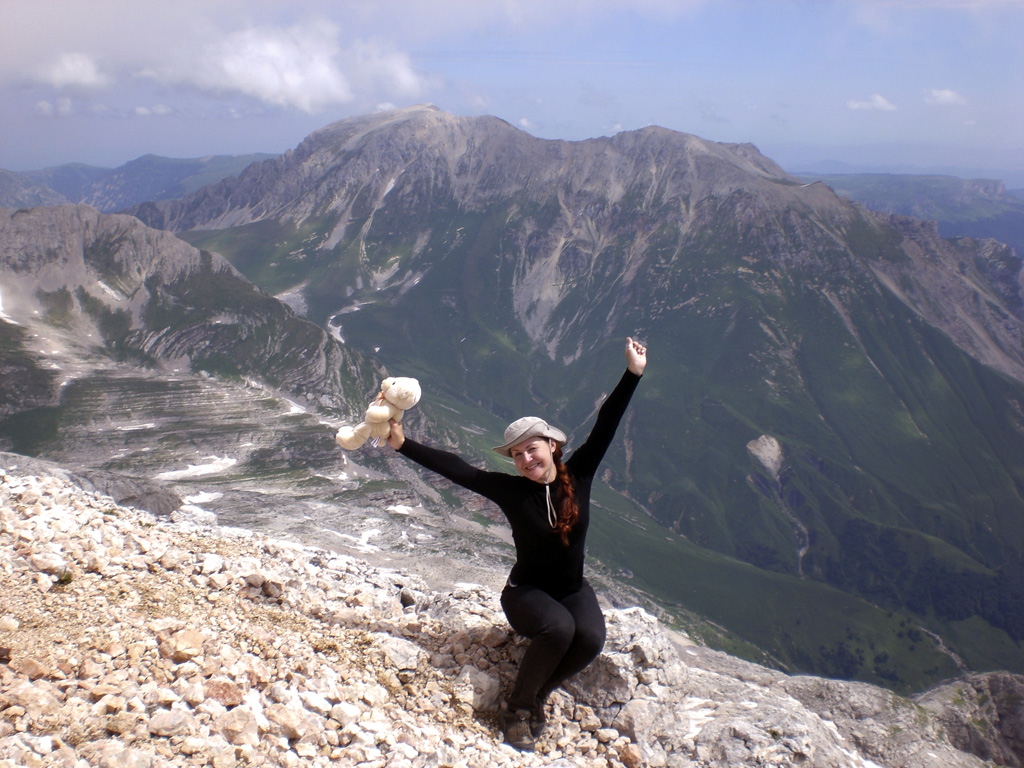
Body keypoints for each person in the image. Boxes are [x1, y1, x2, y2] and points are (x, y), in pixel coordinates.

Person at [387, 337, 648, 750]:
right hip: (524, 593)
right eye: (517, 455)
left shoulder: (579, 475)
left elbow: (606, 424)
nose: (527, 459)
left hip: (572, 588)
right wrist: (403, 444)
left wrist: (632, 374)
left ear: (552, 447)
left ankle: (540, 692)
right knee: (559, 629)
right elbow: (460, 470)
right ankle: (517, 708)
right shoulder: (510, 490)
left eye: (533, 449)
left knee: (591, 639)